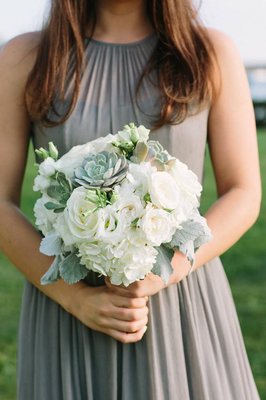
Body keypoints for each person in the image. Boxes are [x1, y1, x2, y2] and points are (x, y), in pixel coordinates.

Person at [0, 0, 262, 399]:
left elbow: (244, 191)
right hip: (66, 309)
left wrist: (164, 273)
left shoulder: (208, 52)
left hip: (181, 300)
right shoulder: (27, 57)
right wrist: (75, 298)